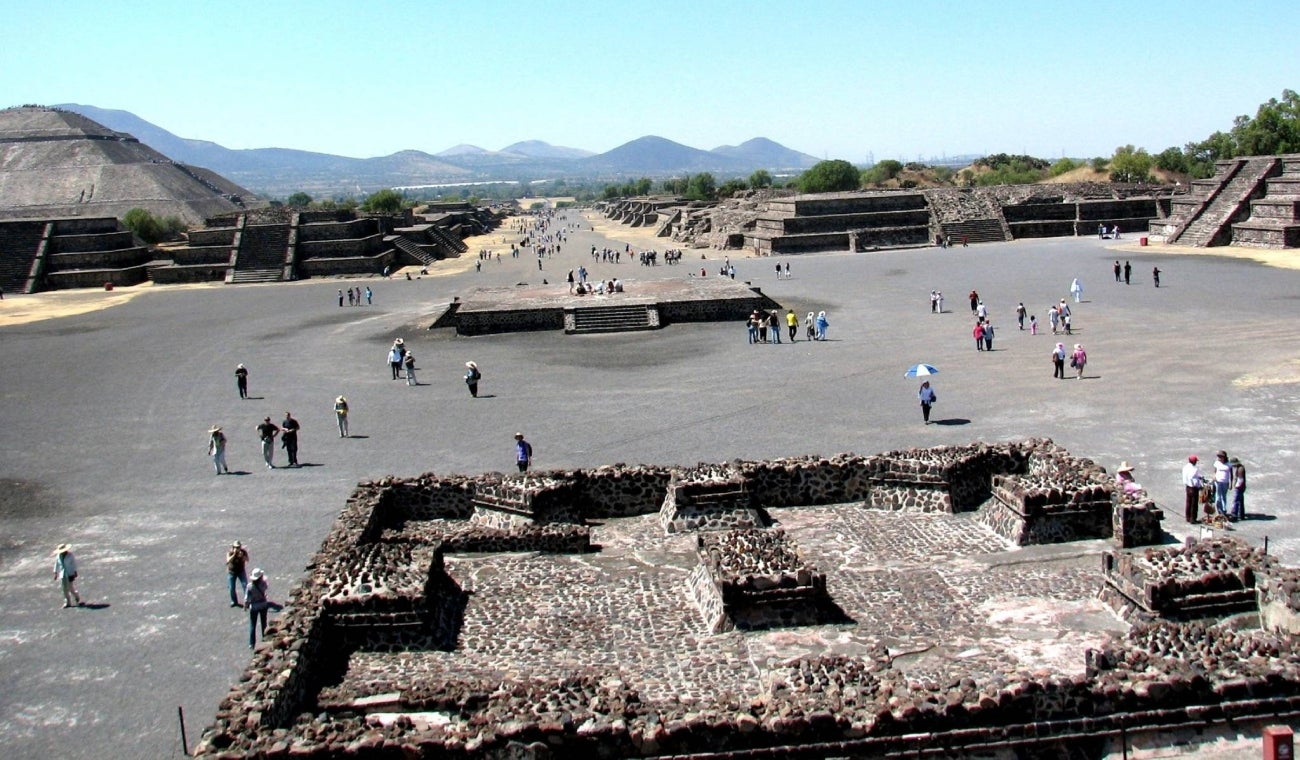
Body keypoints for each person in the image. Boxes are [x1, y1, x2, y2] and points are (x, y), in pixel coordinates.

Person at [244, 568, 282, 649]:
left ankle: (252, 643)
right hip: (263, 605)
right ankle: (264, 639)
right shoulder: (263, 584)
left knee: (253, 625)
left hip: (254, 607)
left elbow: (247, 599)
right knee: (263, 623)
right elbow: (265, 587)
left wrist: (246, 605)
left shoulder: (249, 586)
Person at [53, 544, 82, 608]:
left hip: (69, 573)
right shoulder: (58, 556)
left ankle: (76, 596)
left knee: (70, 588)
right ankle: (67, 602)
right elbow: (56, 564)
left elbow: (73, 563)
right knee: (64, 589)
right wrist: (55, 572)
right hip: (62, 574)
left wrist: (75, 571)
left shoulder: (70, 555)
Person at [226, 541, 249, 607]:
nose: (237, 548)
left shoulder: (243, 552)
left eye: (238, 547)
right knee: (231, 588)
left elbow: (247, 560)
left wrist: (242, 556)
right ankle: (234, 601)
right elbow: (228, 561)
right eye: (235, 547)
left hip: (241, 571)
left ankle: (247, 601)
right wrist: (234, 554)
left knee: (245, 586)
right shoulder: (230, 552)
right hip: (232, 572)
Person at [1182, 455, 1203, 523]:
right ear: (1193, 462)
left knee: (1188, 502)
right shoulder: (1194, 469)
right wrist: (1199, 486)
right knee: (1194, 504)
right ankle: (1193, 519)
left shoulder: (1185, 467)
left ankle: (1187, 517)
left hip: (1187, 487)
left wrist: (1199, 476)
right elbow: (1193, 479)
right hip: (1193, 488)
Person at [1212, 450, 1231, 518]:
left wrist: (1231, 483)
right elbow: (1214, 471)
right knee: (1218, 496)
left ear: (1224, 457)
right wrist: (1214, 476)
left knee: (1224, 496)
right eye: (1218, 456)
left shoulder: (1228, 464)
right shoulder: (1217, 463)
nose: (1219, 458)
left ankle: (1224, 510)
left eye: (1220, 457)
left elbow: (1231, 474)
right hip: (1218, 482)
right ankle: (1218, 511)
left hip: (1225, 482)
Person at [1229, 456, 1247, 521]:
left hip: (1239, 487)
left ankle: (1234, 515)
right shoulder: (1240, 467)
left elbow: (1240, 480)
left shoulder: (1240, 469)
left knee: (1236, 501)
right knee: (1241, 501)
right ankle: (1241, 515)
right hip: (1242, 487)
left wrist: (1236, 487)